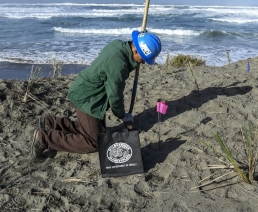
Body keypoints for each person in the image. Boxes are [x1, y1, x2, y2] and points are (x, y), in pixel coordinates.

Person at [30, 30, 161, 158]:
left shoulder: (118, 45)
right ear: (135, 50)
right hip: (88, 98)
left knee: (96, 131)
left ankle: (49, 123)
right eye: (143, 58)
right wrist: (122, 115)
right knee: (93, 142)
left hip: (88, 91)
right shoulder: (119, 64)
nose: (143, 62)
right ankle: (43, 138)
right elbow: (115, 95)